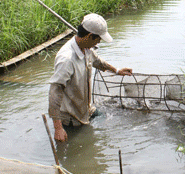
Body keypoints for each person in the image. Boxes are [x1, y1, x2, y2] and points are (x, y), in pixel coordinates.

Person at [48, 13, 132, 142]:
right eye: (98, 39)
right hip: (71, 117)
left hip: (86, 109)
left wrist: (116, 71)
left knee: (105, 118)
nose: (99, 42)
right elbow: (55, 91)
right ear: (88, 36)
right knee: (76, 148)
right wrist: (58, 128)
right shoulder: (67, 60)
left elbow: (97, 61)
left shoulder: (86, 48)